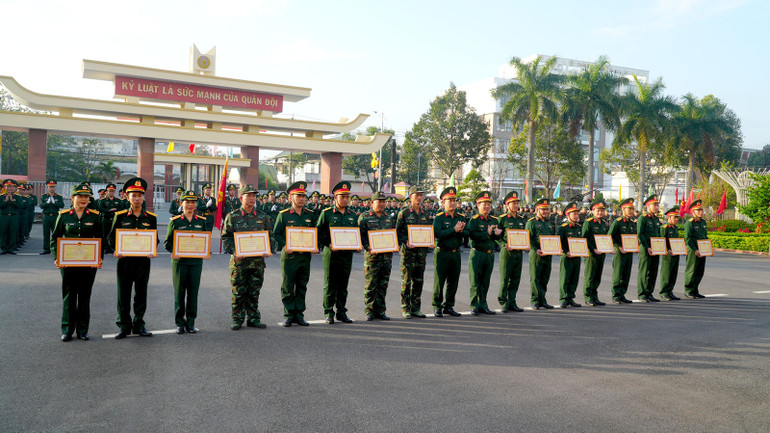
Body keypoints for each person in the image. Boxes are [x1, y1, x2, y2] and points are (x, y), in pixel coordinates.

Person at [51, 183, 103, 341]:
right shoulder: (64, 215)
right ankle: (67, 329)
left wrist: (99, 258)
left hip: (88, 264)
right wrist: (57, 258)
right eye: (80, 196)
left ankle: (82, 330)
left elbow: (100, 239)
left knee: (85, 296)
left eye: (86, 197)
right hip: (68, 264)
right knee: (69, 296)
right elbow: (55, 239)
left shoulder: (94, 216)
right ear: (72, 198)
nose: (83, 199)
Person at [110, 178, 158, 339]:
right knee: (123, 294)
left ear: (143, 197)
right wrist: (116, 249)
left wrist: (152, 249)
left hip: (143, 262)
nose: (137, 198)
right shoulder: (121, 216)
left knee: (141, 294)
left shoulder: (150, 218)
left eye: (140, 195)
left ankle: (139, 324)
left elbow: (155, 239)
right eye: (134, 195)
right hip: (124, 261)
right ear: (127, 197)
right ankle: (124, 326)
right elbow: (111, 237)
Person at [222, 184, 273, 330]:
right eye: (248, 195)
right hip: (239, 263)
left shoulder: (263, 216)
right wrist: (234, 251)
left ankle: (253, 318)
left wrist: (268, 249)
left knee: (254, 292)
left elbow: (269, 236)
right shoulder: (233, 216)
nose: (252, 198)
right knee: (238, 292)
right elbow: (226, 238)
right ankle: (237, 319)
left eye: (254, 195)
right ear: (241, 197)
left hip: (257, 263)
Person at [272, 181, 316, 327]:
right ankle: (289, 314)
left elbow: (315, 233)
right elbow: (276, 233)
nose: (302, 199)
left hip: (305, 256)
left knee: (302, 285)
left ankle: (300, 314)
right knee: (288, 286)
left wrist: (315, 245)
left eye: (304, 196)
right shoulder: (283, 215)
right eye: (298, 196)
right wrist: (284, 245)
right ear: (291, 198)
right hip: (290, 257)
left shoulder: (310, 215)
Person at [164, 190, 208, 334]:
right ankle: (179, 323)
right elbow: (167, 243)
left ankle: (191, 322)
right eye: (187, 202)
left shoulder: (201, 221)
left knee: (193, 293)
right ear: (181, 203)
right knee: (179, 293)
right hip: (180, 263)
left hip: (195, 263)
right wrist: (173, 252)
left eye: (193, 202)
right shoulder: (175, 221)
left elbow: (204, 241)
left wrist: (205, 251)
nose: (190, 205)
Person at [316, 181, 360, 324]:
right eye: (342, 197)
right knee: (330, 283)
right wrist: (328, 243)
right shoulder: (327, 213)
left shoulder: (352, 215)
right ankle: (329, 312)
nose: (345, 200)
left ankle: (341, 312)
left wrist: (357, 244)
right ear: (335, 198)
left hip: (347, 254)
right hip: (332, 253)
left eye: (347, 197)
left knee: (343, 284)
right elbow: (319, 232)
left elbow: (355, 233)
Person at [358, 191, 395, 321]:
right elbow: (360, 236)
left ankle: (380, 310)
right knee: (371, 285)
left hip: (387, 257)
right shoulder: (364, 217)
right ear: (372, 202)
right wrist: (368, 246)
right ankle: (369, 310)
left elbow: (392, 234)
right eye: (379, 201)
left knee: (383, 284)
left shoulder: (388, 217)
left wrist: (394, 245)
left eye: (383, 201)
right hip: (372, 257)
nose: (382, 204)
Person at [395, 185, 431, 319]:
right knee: (406, 280)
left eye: (421, 195)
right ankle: (405, 308)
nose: (420, 198)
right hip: (408, 253)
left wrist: (430, 242)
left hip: (421, 253)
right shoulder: (403, 213)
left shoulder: (425, 214)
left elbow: (427, 232)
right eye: (417, 195)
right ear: (410, 197)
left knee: (418, 280)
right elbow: (397, 233)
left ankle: (416, 308)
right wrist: (406, 241)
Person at [431, 186, 466, 317]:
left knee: (453, 281)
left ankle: (449, 306)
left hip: (456, 252)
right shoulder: (439, 217)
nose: (452, 203)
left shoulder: (461, 216)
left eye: (454, 200)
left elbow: (467, 232)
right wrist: (454, 230)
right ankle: (437, 306)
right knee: (439, 281)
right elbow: (437, 233)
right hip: (443, 252)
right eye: (449, 200)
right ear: (443, 202)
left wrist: (462, 230)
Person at [466, 191, 502, 315]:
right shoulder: (474, 220)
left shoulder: (494, 220)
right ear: (478, 205)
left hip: (489, 254)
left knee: (485, 281)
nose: (487, 207)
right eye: (484, 204)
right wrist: (486, 233)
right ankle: (474, 305)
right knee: (475, 281)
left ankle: (483, 304)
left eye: (488, 204)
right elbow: (472, 236)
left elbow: (495, 238)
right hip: (478, 254)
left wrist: (496, 235)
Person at [496, 190, 527, 313]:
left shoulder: (521, 219)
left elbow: (524, 235)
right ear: (507, 205)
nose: (515, 205)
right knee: (505, 278)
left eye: (516, 203)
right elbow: (497, 237)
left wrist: (526, 245)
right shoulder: (502, 219)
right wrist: (504, 245)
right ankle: (503, 302)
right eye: (512, 203)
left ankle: (512, 301)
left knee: (515, 277)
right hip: (507, 252)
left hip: (518, 252)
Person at [527, 198, 556, 309]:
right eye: (543, 209)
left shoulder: (549, 223)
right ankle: (535, 300)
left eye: (547, 209)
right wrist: (535, 249)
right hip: (537, 254)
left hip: (548, 254)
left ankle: (542, 299)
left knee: (545, 277)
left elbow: (553, 238)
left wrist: (555, 249)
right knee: (535, 277)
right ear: (537, 209)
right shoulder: (532, 222)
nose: (545, 211)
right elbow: (528, 238)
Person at [581, 199, 610, 306]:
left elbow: (605, 238)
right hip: (592, 254)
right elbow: (585, 238)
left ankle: (594, 296)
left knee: (597, 276)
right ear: (592, 211)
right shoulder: (588, 223)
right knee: (590, 276)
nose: (600, 213)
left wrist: (608, 248)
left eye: (602, 211)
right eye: (598, 210)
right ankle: (588, 297)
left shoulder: (603, 223)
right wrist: (593, 249)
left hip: (601, 253)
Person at [608, 199, 637, 304]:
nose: (631, 211)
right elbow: (610, 236)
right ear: (623, 209)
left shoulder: (632, 223)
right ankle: (615, 295)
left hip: (629, 252)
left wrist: (636, 246)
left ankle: (622, 294)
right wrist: (618, 246)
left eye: (632, 209)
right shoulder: (617, 222)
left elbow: (634, 237)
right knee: (618, 273)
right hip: (620, 252)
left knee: (626, 274)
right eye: (629, 208)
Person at [556, 201, 583, 308]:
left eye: (577, 214)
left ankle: (570, 298)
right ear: (568, 215)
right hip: (567, 256)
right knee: (565, 277)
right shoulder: (563, 228)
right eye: (574, 214)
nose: (576, 216)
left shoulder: (578, 227)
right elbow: (558, 242)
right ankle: (563, 298)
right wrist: (565, 252)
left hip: (577, 257)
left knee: (574, 277)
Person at [637, 195, 662, 302]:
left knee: (653, 271)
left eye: (657, 205)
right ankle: (642, 294)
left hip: (656, 248)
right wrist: (647, 247)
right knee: (644, 271)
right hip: (646, 248)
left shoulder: (656, 219)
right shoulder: (642, 218)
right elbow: (640, 234)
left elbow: (658, 234)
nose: (656, 207)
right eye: (654, 205)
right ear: (648, 206)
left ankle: (649, 292)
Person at [684, 200, 708, 299]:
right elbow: (688, 238)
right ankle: (688, 290)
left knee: (699, 271)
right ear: (693, 212)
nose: (701, 212)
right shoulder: (690, 223)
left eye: (701, 210)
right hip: (694, 250)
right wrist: (695, 250)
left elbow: (704, 236)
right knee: (691, 270)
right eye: (698, 210)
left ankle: (695, 289)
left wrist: (708, 248)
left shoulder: (703, 222)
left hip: (702, 250)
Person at [659, 205, 682, 301]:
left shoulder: (675, 228)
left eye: (677, 217)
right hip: (668, 254)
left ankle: (670, 291)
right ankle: (664, 292)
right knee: (666, 273)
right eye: (674, 217)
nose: (676, 219)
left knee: (673, 273)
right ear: (668, 217)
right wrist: (667, 249)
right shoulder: (665, 228)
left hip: (675, 253)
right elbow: (662, 241)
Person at [39, 180, 65, 255]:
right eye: (50, 187)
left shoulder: (58, 196)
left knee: (56, 233)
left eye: (53, 187)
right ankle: (46, 249)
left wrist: (55, 203)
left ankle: (56, 248)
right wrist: (47, 203)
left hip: (55, 216)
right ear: (47, 187)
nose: (52, 188)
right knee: (46, 233)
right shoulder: (44, 196)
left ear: (55, 187)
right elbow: (41, 206)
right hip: (46, 216)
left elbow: (62, 205)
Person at [99, 183, 123, 254]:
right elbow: (100, 209)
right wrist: (109, 210)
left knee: (114, 234)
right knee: (105, 234)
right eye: (110, 191)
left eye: (113, 191)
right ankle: (106, 248)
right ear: (107, 192)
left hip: (114, 220)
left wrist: (116, 210)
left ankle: (113, 247)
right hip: (106, 219)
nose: (111, 193)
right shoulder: (103, 201)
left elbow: (121, 209)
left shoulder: (118, 201)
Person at [1, 179, 23, 255]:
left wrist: (13, 202)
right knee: (3, 232)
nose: (9, 188)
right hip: (4, 216)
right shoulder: (1, 197)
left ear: (13, 188)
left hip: (14, 217)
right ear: (5, 187)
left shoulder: (18, 197)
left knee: (13, 232)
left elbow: (20, 206)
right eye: (7, 187)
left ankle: (11, 248)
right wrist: (5, 201)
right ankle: (4, 248)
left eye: (11, 187)